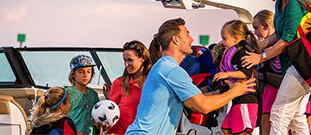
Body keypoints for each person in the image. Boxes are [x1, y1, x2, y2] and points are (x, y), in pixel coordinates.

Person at [125, 17, 256, 135]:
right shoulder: (171, 70)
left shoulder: (163, 67)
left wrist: (221, 91)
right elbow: (204, 106)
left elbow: (192, 103)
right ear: (175, 40)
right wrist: (235, 91)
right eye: (187, 34)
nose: (191, 39)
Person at [242, 0, 311, 135]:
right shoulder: (281, 3)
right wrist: (260, 45)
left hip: (300, 66)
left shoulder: (294, 4)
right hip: (294, 66)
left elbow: (286, 41)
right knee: (296, 116)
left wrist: (260, 58)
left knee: (279, 113)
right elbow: (279, 34)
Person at [213, 20, 259, 135]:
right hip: (237, 100)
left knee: (241, 132)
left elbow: (246, 73)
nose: (222, 42)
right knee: (226, 129)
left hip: (246, 101)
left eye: (224, 38)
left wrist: (227, 74)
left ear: (236, 38)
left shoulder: (243, 54)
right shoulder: (232, 53)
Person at [106, 40, 152, 134]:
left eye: (130, 60)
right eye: (125, 60)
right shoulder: (118, 84)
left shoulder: (153, 82)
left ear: (142, 58)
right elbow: (110, 113)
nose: (126, 64)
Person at [252, 9, 281, 135]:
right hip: (267, 87)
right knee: (266, 119)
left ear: (267, 26)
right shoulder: (264, 45)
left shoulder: (274, 45)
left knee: (267, 119)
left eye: (257, 28)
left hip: (274, 86)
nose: (255, 32)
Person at [66, 55, 100, 135]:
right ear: (73, 74)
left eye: (88, 71)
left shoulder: (93, 94)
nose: (85, 75)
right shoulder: (66, 93)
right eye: (81, 72)